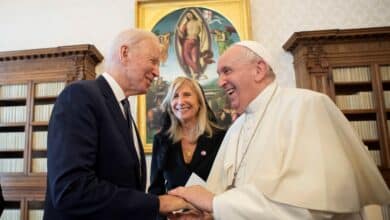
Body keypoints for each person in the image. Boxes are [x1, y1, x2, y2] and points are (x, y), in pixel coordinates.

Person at [169, 41, 390, 219]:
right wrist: (210, 214)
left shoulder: (306, 107)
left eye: (227, 71)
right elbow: (226, 193)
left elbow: (310, 209)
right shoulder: (236, 129)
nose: (221, 81)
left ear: (259, 69)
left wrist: (215, 203)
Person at [43, 29, 190, 220]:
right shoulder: (79, 96)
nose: (157, 72)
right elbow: (72, 190)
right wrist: (157, 203)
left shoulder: (123, 108)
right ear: (124, 53)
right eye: (153, 61)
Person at [148, 77, 225, 195]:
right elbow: (155, 190)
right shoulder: (161, 140)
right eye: (175, 96)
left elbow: (227, 185)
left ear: (200, 102)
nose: (180, 101)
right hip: (174, 212)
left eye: (187, 95)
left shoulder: (221, 138)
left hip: (211, 212)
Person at [177, 11, 204, 79]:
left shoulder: (198, 22)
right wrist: (178, 31)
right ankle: (197, 73)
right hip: (191, 40)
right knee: (190, 58)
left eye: (190, 14)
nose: (189, 16)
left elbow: (203, 32)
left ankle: (197, 72)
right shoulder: (187, 24)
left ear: (193, 14)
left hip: (192, 41)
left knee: (191, 58)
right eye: (188, 15)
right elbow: (182, 36)